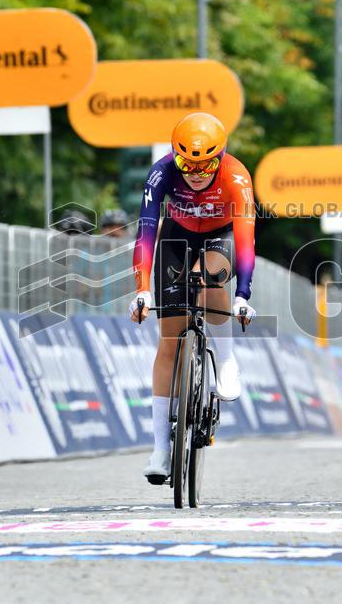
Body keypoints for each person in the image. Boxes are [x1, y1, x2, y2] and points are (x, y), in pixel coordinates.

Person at [129, 112, 257, 483]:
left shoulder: (236, 176)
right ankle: (160, 450)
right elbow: (146, 231)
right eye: (187, 163)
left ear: (221, 158)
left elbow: (246, 237)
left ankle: (228, 360)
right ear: (175, 157)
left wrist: (243, 295)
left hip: (222, 235)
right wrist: (141, 290)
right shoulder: (161, 172)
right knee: (168, 340)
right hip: (178, 234)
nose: (196, 172)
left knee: (208, 276)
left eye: (207, 164)